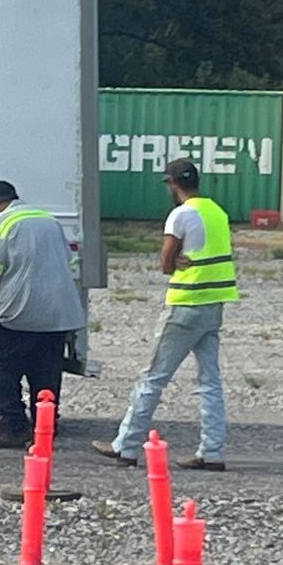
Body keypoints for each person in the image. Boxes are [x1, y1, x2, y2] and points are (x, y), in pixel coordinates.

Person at [92, 158, 237, 471]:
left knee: (153, 378)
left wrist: (176, 262)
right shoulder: (217, 212)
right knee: (209, 381)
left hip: (185, 305)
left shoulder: (181, 215)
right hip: (214, 305)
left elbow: (165, 263)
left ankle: (126, 447)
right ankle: (212, 452)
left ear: (173, 184)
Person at [0, 180, 88, 448]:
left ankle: (14, 427)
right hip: (58, 313)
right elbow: (66, 263)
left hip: (20, 313)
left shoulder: (0, 222)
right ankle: (46, 428)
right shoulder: (49, 221)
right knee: (45, 371)